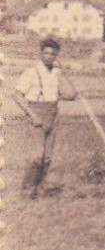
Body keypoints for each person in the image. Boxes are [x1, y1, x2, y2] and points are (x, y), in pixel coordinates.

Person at [13, 37, 78, 197]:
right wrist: (33, 115)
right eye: (46, 53)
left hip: (53, 113)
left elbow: (70, 95)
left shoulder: (56, 73)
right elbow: (17, 95)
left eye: (52, 54)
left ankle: (40, 187)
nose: (49, 56)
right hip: (37, 112)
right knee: (36, 156)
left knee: (47, 157)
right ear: (41, 53)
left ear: (56, 56)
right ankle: (27, 189)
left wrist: (63, 75)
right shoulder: (31, 72)